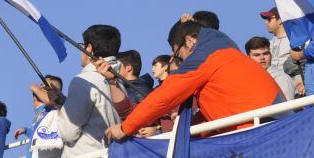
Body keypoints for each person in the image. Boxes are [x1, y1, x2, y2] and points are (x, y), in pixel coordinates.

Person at [105, 20, 282, 141]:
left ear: (189, 41)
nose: (180, 61)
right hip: (278, 125)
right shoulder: (226, 51)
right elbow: (212, 112)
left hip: (261, 131)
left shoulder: (203, 57)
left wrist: (124, 128)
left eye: (178, 54)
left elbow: (163, 98)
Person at [31, 25, 121, 158]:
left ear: (89, 48)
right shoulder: (121, 80)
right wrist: (62, 102)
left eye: (83, 46)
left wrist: (61, 109)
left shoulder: (84, 81)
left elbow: (67, 132)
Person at [259, 7, 305, 95]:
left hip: (292, 89)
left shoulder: (296, 41)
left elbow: (305, 64)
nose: (266, 22)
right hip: (270, 87)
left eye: (269, 19)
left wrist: (303, 81)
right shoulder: (267, 44)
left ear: (280, 20)